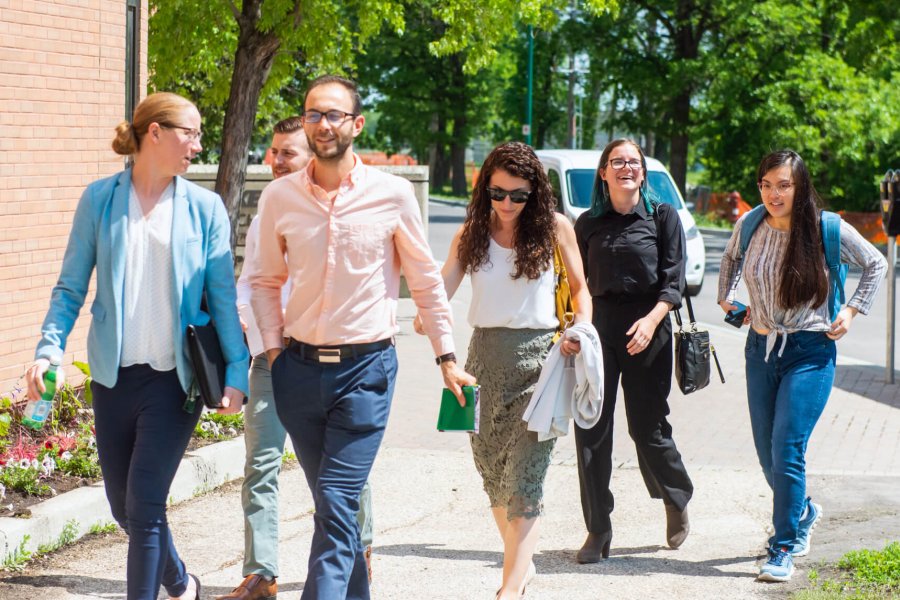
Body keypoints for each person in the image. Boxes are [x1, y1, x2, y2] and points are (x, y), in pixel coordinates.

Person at [250, 74, 475, 600]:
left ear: (356, 123)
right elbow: (263, 280)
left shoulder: (391, 195)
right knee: (335, 508)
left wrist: (446, 357)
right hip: (297, 372)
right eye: (313, 115)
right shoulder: (280, 198)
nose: (322, 124)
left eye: (333, 115)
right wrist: (275, 353)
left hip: (365, 373)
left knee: (333, 500)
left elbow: (423, 279)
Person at [24, 92, 249, 600]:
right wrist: (48, 349)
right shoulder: (100, 200)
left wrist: (237, 369)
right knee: (122, 506)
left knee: (146, 505)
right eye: (189, 132)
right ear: (156, 133)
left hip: (175, 381)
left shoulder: (204, 208)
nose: (197, 144)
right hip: (114, 377)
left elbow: (221, 294)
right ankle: (180, 581)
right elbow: (70, 287)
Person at [416, 141, 590, 598]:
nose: (507, 203)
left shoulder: (555, 228)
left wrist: (582, 330)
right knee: (491, 470)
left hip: (542, 361)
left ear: (535, 193)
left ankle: (508, 589)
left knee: (527, 477)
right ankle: (522, 563)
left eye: (518, 195)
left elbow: (580, 288)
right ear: (484, 190)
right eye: (498, 193)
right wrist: (428, 320)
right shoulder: (471, 232)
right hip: (482, 363)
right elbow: (441, 291)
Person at [222, 116, 375, 600]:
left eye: (285, 153)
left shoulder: (342, 209)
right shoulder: (271, 206)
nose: (275, 160)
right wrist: (265, 344)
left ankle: (359, 552)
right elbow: (250, 282)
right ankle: (260, 573)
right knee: (261, 462)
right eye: (272, 152)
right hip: (274, 358)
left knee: (342, 468)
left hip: (331, 360)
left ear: (312, 156)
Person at [718, 149, 887, 582]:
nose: (774, 194)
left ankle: (783, 548)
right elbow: (731, 259)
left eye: (784, 185)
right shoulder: (750, 222)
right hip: (760, 350)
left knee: (787, 447)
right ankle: (806, 510)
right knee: (765, 453)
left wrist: (850, 312)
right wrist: (727, 298)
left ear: (800, 186)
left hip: (810, 351)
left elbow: (876, 263)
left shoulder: (826, 228)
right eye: (767, 185)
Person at [572, 138, 693, 563]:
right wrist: (575, 328)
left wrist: (652, 319)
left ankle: (676, 498)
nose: (626, 167)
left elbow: (673, 281)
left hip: (649, 326)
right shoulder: (586, 223)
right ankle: (598, 528)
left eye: (633, 162)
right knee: (590, 429)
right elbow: (576, 284)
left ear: (643, 172)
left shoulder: (663, 218)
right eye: (616, 161)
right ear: (603, 173)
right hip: (599, 329)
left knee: (647, 428)